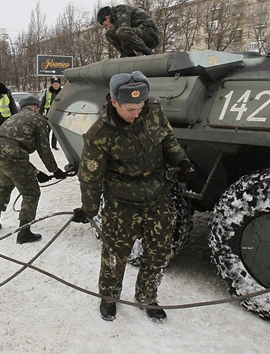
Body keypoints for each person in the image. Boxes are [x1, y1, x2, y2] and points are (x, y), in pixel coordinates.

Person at [72, 71, 194, 322]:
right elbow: (90, 176)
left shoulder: (153, 112)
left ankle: (147, 296)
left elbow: (167, 139)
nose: (137, 112)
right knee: (116, 256)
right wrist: (89, 208)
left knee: (159, 253)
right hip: (122, 203)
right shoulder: (100, 133)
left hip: (157, 196)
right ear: (114, 102)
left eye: (140, 106)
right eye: (130, 108)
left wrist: (180, 159)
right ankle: (109, 297)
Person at [0, 96, 67, 244]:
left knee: (4, 185)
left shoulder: (14, 117)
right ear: (36, 107)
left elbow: (12, 150)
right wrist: (55, 170)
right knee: (31, 192)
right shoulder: (37, 119)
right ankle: (24, 233)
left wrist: (37, 172)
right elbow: (43, 149)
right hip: (12, 153)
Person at [39, 77, 62, 150]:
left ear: (59, 84)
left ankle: (54, 145)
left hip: (58, 113)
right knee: (47, 130)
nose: (56, 86)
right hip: (48, 113)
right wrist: (41, 111)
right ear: (52, 84)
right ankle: (46, 144)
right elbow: (43, 102)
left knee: (55, 131)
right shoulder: (48, 91)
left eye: (57, 84)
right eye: (54, 84)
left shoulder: (62, 92)